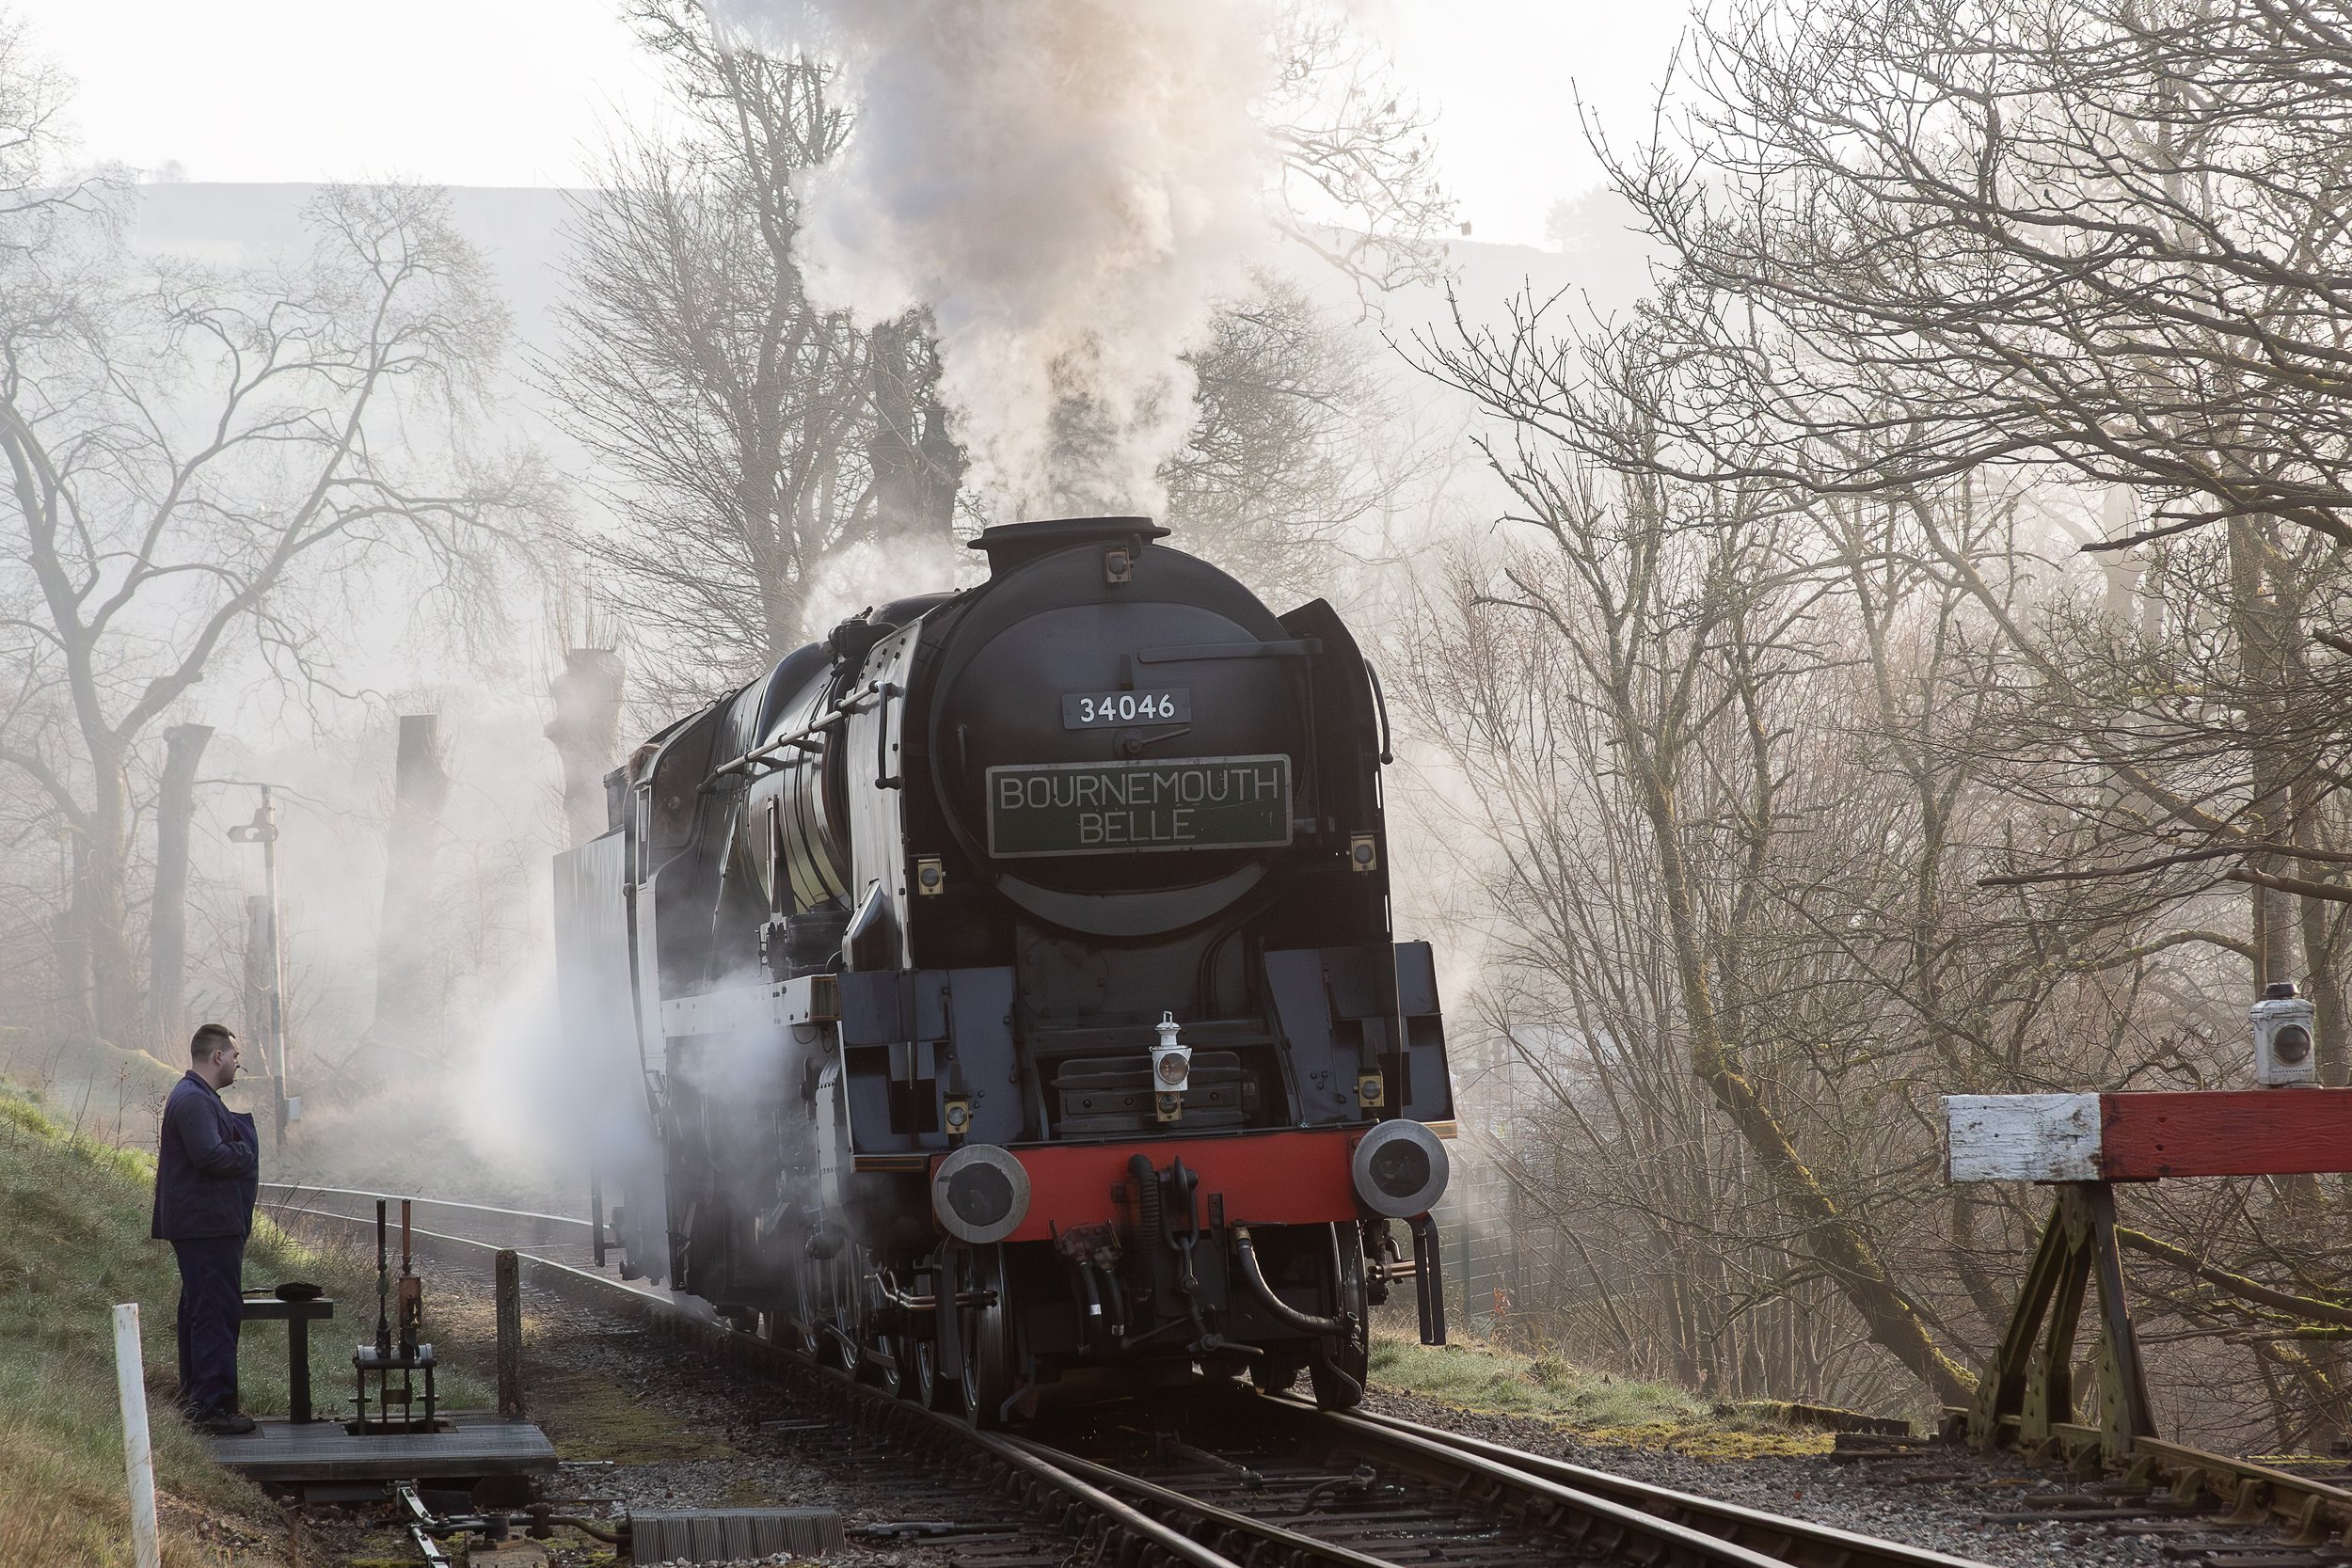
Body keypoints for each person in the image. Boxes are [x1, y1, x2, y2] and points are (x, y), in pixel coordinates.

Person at [151, 1022, 260, 1435]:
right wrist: (245, 1151)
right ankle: (211, 1407)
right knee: (215, 1310)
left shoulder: (198, 1097)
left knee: (202, 1309)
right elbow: (209, 1156)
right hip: (206, 1227)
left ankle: (199, 1399)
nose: (237, 1063)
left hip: (207, 1225)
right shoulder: (194, 1100)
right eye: (234, 1056)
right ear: (217, 1056)